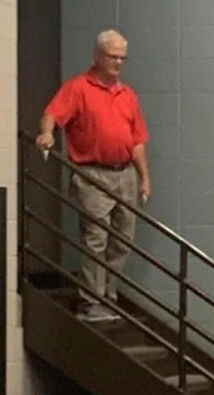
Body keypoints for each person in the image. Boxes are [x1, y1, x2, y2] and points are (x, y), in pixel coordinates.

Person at [35, 29, 151, 323]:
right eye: (112, 57)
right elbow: (53, 114)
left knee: (122, 239)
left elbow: (137, 140)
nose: (118, 63)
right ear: (98, 56)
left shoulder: (128, 95)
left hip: (124, 173)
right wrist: (47, 134)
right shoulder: (79, 88)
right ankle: (91, 301)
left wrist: (144, 177)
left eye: (122, 58)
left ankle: (108, 296)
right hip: (92, 174)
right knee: (95, 238)